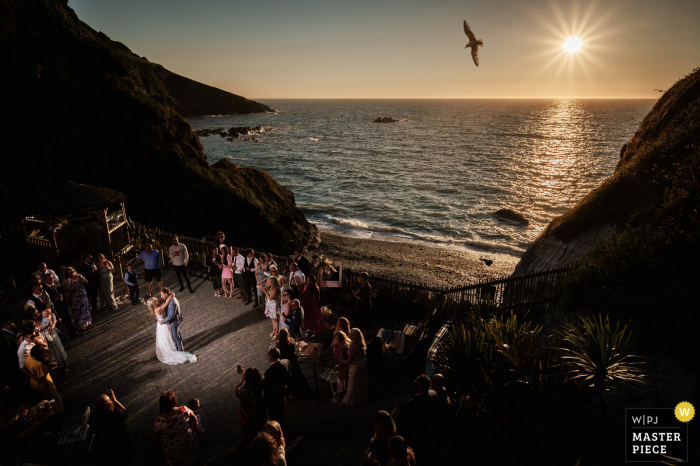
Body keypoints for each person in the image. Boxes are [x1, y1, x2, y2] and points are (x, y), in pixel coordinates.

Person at [395, 374, 438, 462]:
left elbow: (400, 425)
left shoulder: (409, 405)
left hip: (415, 441)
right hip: (430, 438)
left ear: (420, 387)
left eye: (416, 383)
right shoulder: (433, 395)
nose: (414, 385)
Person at [149, 291, 197, 365]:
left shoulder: (157, 305)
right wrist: (171, 296)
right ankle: (174, 349)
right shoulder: (158, 309)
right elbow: (166, 303)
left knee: (170, 336)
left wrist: (170, 294)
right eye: (156, 301)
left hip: (163, 323)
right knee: (169, 336)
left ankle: (175, 347)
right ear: (154, 304)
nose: (158, 300)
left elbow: (162, 299)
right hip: (163, 324)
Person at [153, 390, 198, 466]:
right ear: (174, 401)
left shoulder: (159, 422)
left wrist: (158, 448)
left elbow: (156, 438)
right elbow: (194, 419)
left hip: (172, 450)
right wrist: (194, 429)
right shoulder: (184, 410)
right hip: (187, 443)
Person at [92, 390, 132, 464]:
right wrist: (115, 401)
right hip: (121, 442)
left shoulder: (94, 417)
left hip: (105, 446)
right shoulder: (116, 414)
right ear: (109, 404)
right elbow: (125, 412)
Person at [25, 345, 64, 413]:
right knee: (52, 399)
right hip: (44, 383)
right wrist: (49, 395)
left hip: (34, 382)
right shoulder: (39, 364)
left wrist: (49, 365)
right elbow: (43, 378)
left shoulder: (28, 357)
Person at [234, 367, 267, 447]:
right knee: (259, 429)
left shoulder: (244, 391)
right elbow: (263, 379)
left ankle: (241, 448)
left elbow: (235, 390)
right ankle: (259, 445)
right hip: (260, 411)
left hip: (248, 414)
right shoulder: (260, 384)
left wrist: (242, 379)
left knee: (245, 431)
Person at [338, 328, 369, 406]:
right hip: (362, 364)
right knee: (361, 382)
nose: (349, 334)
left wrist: (340, 359)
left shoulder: (353, 348)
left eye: (351, 334)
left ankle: (348, 400)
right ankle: (361, 398)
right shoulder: (360, 343)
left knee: (352, 384)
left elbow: (348, 361)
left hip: (356, 367)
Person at [43, 272, 77, 337]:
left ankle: (73, 333)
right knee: (56, 323)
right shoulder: (44, 288)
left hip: (62, 305)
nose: (52, 280)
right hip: (54, 308)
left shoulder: (57, 283)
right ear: (45, 280)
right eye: (49, 279)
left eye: (52, 278)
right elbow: (46, 299)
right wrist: (54, 300)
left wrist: (65, 300)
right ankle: (60, 338)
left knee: (67, 319)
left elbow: (62, 292)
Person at [263, 347, 290, 425]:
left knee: (273, 413)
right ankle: (281, 424)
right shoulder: (285, 362)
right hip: (281, 392)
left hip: (272, 396)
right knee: (280, 410)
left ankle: (276, 426)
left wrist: (264, 379)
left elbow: (265, 386)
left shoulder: (269, 372)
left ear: (270, 358)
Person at [40, 307, 68, 372]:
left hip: (52, 334)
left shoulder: (50, 315)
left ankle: (66, 365)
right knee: (52, 352)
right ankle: (55, 367)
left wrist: (51, 328)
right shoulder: (40, 317)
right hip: (45, 337)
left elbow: (54, 321)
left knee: (60, 349)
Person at [65, 267, 92, 332]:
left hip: (83, 297)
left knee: (85, 310)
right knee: (78, 313)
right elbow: (68, 290)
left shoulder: (79, 275)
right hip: (76, 299)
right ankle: (80, 326)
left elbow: (87, 282)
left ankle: (86, 323)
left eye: (73, 271)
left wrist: (84, 280)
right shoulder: (67, 280)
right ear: (67, 274)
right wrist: (75, 282)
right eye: (70, 272)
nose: (72, 273)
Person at [332, 331, 350, 403]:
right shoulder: (345, 345)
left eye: (335, 339)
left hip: (343, 370)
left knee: (340, 385)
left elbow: (341, 361)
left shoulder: (341, 348)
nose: (334, 340)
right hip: (346, 368)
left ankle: (339, 399)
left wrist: (337, 367)